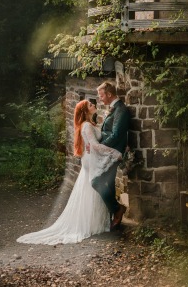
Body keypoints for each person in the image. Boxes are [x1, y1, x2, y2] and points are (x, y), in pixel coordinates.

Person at [17, 100, 122, 245]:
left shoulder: (88, 124)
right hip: (91, 160)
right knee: (95, 186)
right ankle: (102, 217)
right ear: (85, 111)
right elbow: (95, 146)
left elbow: (93, 142)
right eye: (91, 105)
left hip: (90, 158)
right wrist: (115, 152)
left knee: (92, 189)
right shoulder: (86, 126)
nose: (94, 106)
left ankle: (99, 219)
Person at [91, 81, 130, 231]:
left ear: (109, 94)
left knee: (96, 182)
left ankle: (117, 209)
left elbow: (116, 134)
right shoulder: (114, 109)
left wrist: (100, 147)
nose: (99, 98)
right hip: (109, 153)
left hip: (113, 154)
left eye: (101, 95)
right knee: (110, 185)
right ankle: (113, 216)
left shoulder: (121, 109)